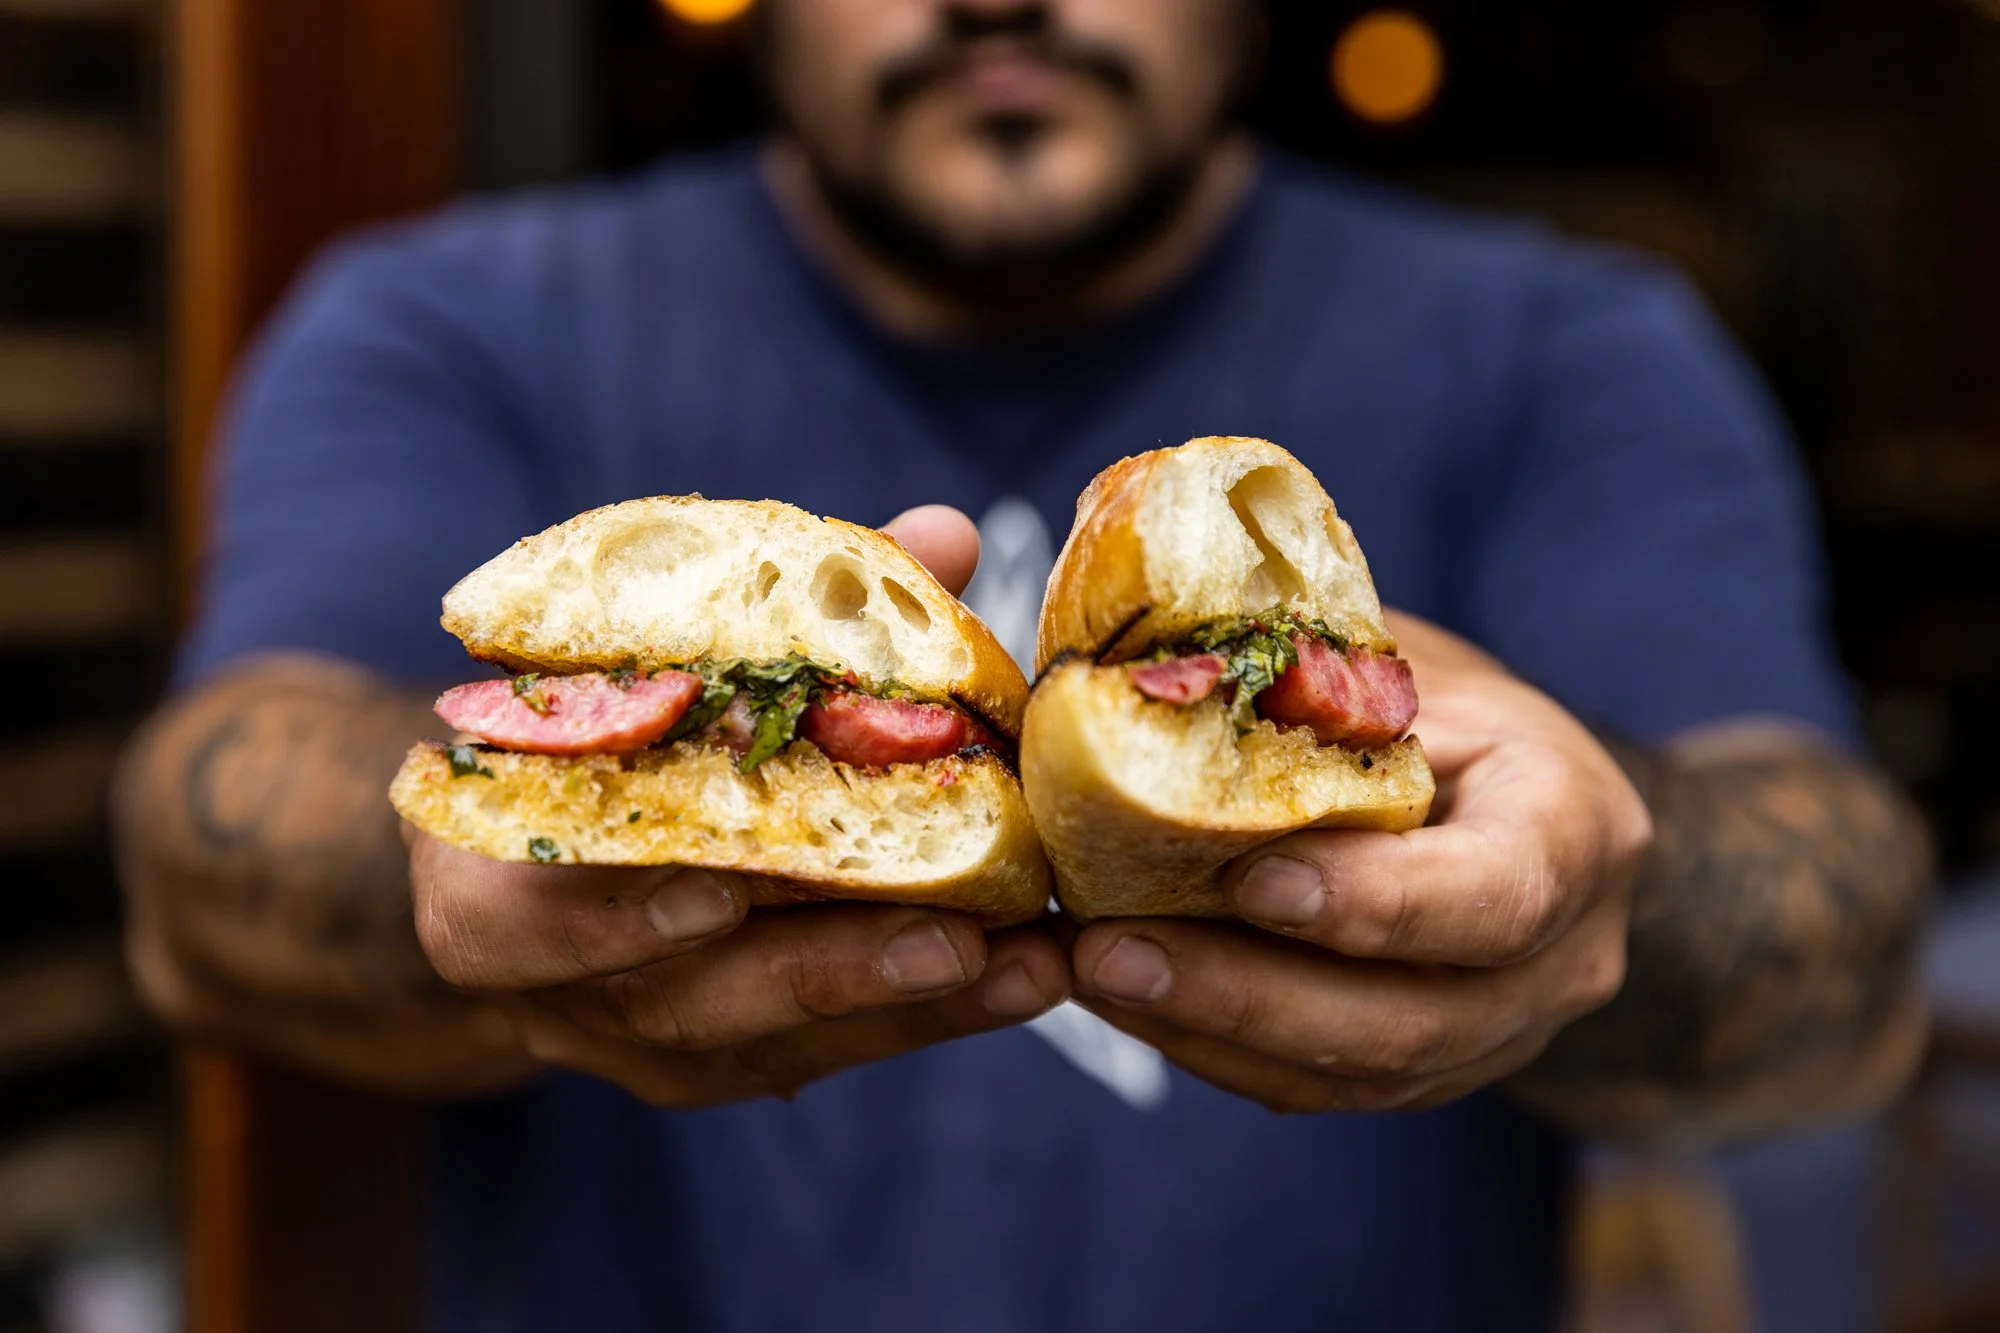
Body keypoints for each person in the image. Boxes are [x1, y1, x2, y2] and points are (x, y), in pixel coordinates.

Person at [114, 1, 1931, 1328]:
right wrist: (521, 873)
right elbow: (193, 883)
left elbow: (1842, 979)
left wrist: (1594, 886)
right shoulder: (449, 322)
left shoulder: (1571, 350)